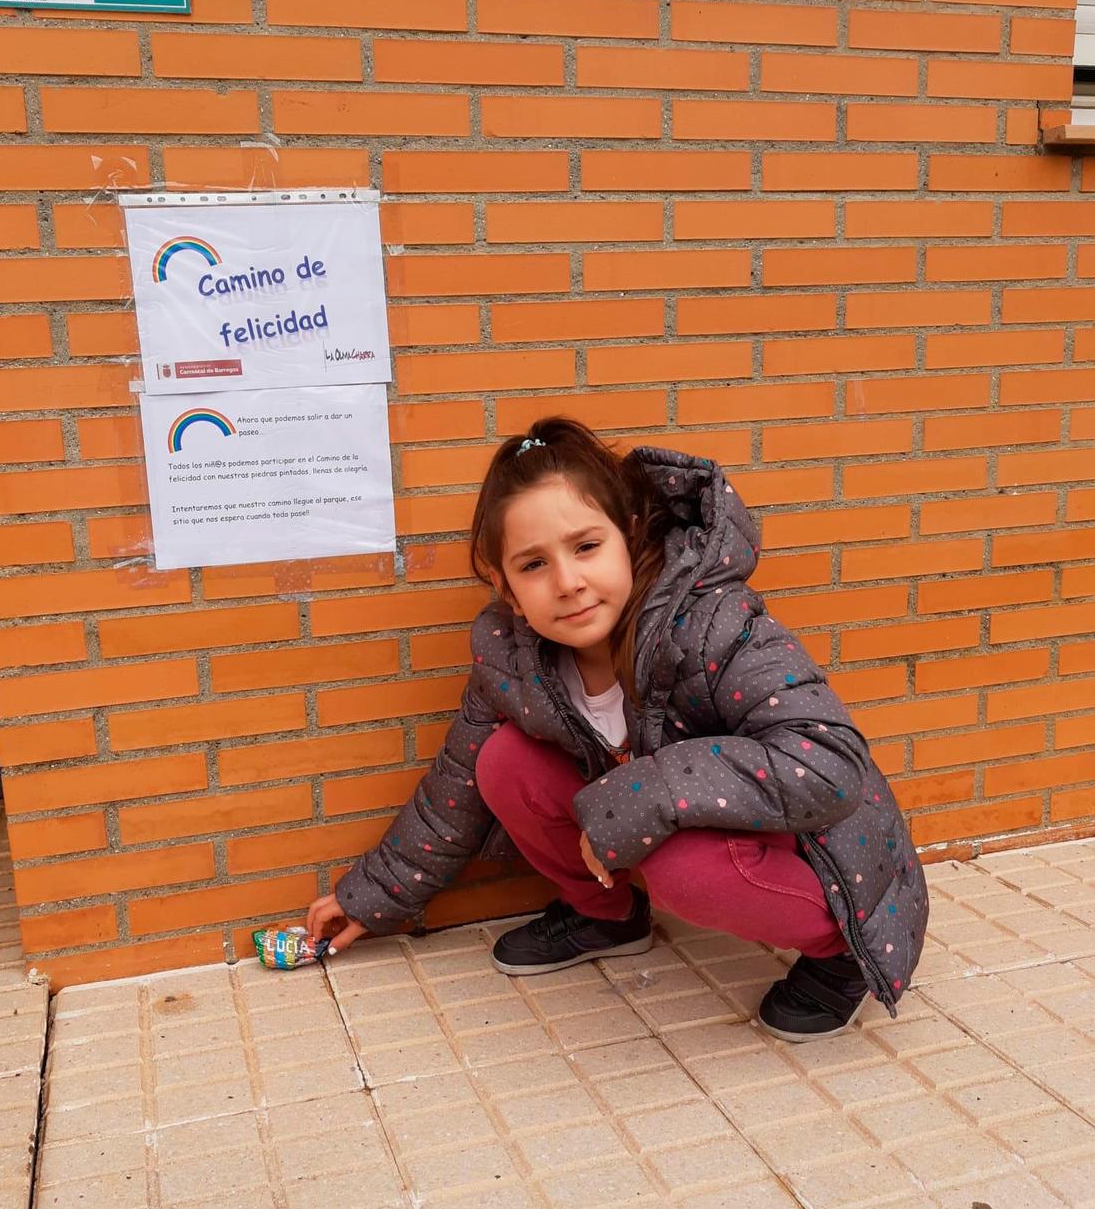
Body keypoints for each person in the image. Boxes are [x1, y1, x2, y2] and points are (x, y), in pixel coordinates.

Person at [304, 418, 927, 1040]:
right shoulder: (512, 657)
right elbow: (456, 788)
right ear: (507, 589)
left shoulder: (708, 622)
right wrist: (372, 898)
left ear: (629, 535)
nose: (568, 583)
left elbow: (826, 762)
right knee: (502, 761)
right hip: (681, 820)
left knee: (682, 867)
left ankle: (840, 952)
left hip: (826, 853)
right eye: (533, 564)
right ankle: (607, 917)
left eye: (585, 547)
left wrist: (645, 791)